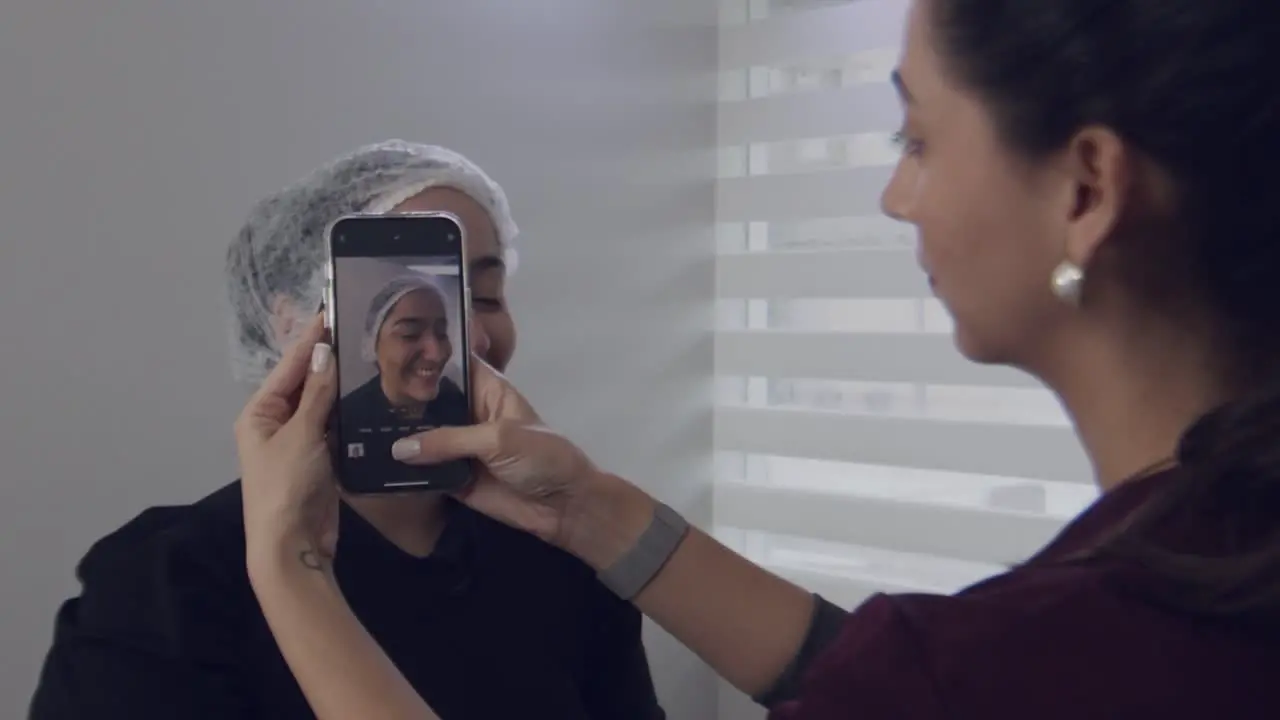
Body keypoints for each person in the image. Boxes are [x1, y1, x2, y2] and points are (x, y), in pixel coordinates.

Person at [213, 0, 1280, 718]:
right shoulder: (1212, 555)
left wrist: (292, 571)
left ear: (1085, 189)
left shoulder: (1073, 648)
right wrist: (588, 511)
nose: (892, 196)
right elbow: (882, 680)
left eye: (915, 140)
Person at [28, 141, 664, 719]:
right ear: (291, 327)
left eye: (487, 296)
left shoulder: (565, 561)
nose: (464, 337)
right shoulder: (162, 585)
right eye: (405, 304)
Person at [340, 273, 470, 433]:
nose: (436, 354)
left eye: (442, 333)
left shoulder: (455, 400)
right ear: (373, 343)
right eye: (410, 334)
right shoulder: (347, 418)